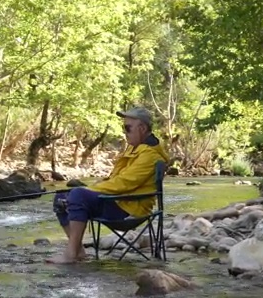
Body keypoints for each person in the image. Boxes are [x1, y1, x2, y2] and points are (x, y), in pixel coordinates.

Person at [46, 106, 171, 264]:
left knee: (77, 194)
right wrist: (96, 186)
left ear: (142, 128)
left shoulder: (150, 155)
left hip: (129, 209)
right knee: (61, 197)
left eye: (127, 128)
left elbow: (124, 183)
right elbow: (115, 178)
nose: (125, 132)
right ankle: (79, 251)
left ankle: (70, 255)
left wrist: (89, 190)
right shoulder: (135, 148)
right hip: (117, 201)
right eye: (124, 128)